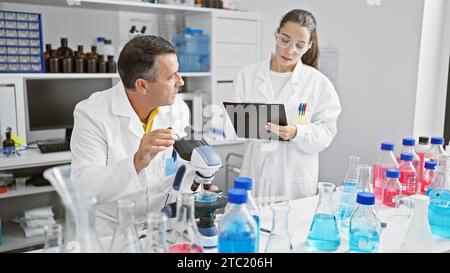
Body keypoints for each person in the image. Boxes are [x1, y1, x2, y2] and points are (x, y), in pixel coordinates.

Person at [70, 35, 190, 235]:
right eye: (172, 76)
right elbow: (84, 186)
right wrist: (136, 162)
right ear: (142, 85)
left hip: (162, 224)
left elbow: (183, 166)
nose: (181, 81)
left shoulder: (177, 108)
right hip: (112, 230)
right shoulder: (91, 113)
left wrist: (200, 185)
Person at [227, 9, 342, 201]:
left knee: (292, 227)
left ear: (309, 46)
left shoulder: (317, 83)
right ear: (276, 35)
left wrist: (297, 132)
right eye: (285, 40)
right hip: (256, 174)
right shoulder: (248, 76)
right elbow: (232, 120)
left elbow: (327, 131)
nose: (290, 51)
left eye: (299, 45)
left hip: (294, 182)